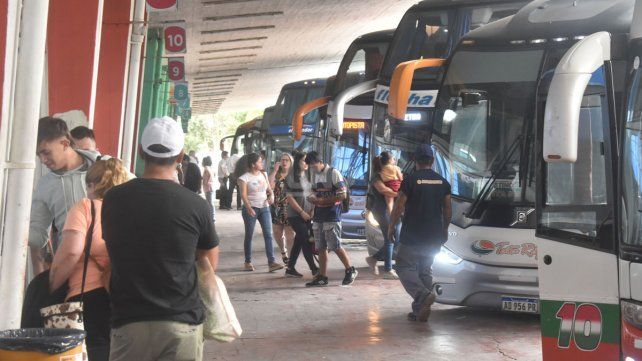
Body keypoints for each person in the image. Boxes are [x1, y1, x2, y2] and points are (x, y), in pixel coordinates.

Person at [102, 116, 219, 361]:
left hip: (128, 320)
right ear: (180, 157)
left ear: (141, 151)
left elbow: (113, 253)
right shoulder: (197, 205)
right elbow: (208, 266)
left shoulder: (113, 199)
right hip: (181, 322)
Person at [49, 158, 130, 361]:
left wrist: (51, 286)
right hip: (122, 297)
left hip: (86, 297)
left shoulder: (86, 207)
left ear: (92, 185)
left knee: (80, 354)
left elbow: (70, 253)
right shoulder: (128, 212)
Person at [388, 144, 452, 323]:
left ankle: (422, 295)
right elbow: (447, 209)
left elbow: (399, 206)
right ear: (432, 161)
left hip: (413, 235)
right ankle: (419, 311)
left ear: (415, 161)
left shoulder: (410, 181)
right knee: (425, 269)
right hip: (434, 236)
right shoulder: (443, 182)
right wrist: (445, 229)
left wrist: (391, 227)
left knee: (403, 267)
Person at [30, 117, 101, 274]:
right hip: (69, 271)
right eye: (38, 155)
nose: (42, 160)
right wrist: (9, 228)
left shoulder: (106, 167)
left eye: (45, 152)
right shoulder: (45, 185)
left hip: (107, 270)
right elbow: (38, 236)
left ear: (65, 143)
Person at [304, 151, 358, 287]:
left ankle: (350, 270)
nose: (312, 168)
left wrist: (323, 201)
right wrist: (312, 198)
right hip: (318, 215)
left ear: (320, 162)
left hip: (332, 214)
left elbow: (342, 194)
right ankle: (322, 276)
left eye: (313, 165)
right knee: (320, 246)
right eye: (310, 166)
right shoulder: (313, 174)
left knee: (335, 245)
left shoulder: (333, 173)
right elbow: (311, 191)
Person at [236, 153, 284, 272]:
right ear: (253, 164)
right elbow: (243, 195)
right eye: (259, 162)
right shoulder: (244, 178)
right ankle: (248, 261)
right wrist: (248, 208)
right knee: (249, 235)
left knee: (268, 234)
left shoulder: (263, 174)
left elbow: (269, 190)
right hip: (251, 209)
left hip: (264, 208)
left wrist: (271, 196)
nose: (262, 164)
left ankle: (271, 262)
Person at [284, 151, 319, 278]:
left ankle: (290, 268)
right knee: (305, 240)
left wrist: (313, 209)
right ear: (297, 162)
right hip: (295, 215)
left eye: (307, 161)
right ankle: (314, 269)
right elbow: (290, 198)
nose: (307, 163)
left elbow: (313, 194)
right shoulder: (291, 178)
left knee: (299, 241)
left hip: (309, 214)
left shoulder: (309, 176)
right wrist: (301, 212)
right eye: (304, 160)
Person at [365, 168, 401, 279]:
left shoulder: (395, 173)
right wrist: (399, 193)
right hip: (382, 211)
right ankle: (388, 269)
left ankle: (373, 259)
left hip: (394, 211)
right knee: (390, 239)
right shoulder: (377, 177)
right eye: (392, 161)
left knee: (397, 239)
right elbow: (384, 191)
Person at [269, 153, 295, 265]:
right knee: (277, 232)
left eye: (286, 160)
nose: (284, 162)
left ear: (291, 162)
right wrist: (274, 170)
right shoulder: (277, 175)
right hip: (277, 207)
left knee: (290, 234)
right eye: (282, 160)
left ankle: (291, 258)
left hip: (290, 207)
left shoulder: (294, 175)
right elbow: (269, 186)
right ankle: (283, 252)